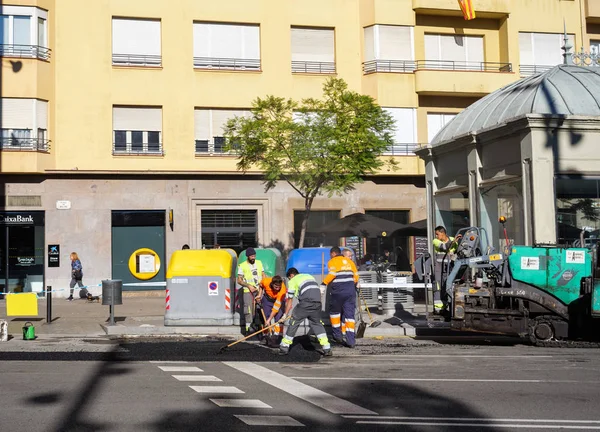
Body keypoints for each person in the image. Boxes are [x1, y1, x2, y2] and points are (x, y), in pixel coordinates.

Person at [279, 267, 332, 356]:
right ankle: (327, 348)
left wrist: (285, 314)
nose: (289, 280)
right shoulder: (309, 276)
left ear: (291, 275)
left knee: (293, 323)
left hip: (305, 303)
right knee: (317, 324)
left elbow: (290, 300)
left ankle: (284, 347)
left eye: (289, 278)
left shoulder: (292, 280)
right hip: (317, 303)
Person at [323, 246, 359, 348]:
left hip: (338, 292)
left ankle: (337, 336)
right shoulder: (350, 262)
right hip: (350, 292)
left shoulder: (332, 261)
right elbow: (356, 277)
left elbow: (332, 274)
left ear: (333, 253)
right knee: (349, 317)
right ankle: (351, 341)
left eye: (330, 255)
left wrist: (323, 283)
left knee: (335, 313)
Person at [432, 226, 462, 311]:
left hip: (450, 267)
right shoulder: (435, 241)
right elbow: (444, 247)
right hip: (439, 267)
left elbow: (457, 251)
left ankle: (448, 305)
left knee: (448, 285)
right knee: (438, 286)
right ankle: (438, 308)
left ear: (442, 233)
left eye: (437, 234)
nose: (436, 236)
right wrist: (453, 241)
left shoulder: (453, 239)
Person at [237, 247, 266, 334]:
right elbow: (239, 280)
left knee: (260, 309)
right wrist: (249, 286)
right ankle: (248, 329)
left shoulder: (259, 263)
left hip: (259, 290)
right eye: (251, 256)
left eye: (254, 256)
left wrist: (262, 288)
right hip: (248, 291)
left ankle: (260, 328)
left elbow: (263, 275)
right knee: (248, 310)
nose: (253, 257)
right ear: (248, 256)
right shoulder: (242, 266)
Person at [261, 275, 287, 346]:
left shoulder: (282, 290)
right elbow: (261, 285)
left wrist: (270, 319)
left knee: (279, 317)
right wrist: (259, 295)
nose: (278, 288)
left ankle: (278, 336)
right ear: (272, 284)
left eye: (279, 287)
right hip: (267, 299)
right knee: (265, 318)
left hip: (278, 300)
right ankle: (265, 335)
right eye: (276, 287)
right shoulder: (266, 281)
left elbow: (276, 307)